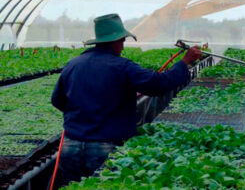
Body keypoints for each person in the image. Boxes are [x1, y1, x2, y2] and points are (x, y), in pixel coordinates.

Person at [51, 13, 202, 188]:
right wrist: (184, 62)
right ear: (115, 41)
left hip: (70, 147)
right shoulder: (122, 67)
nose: (122, 46)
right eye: (122, 41)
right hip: (104, 147)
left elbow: (57, 100)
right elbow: (158, 84)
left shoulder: (73, 65)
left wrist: (85, 113)